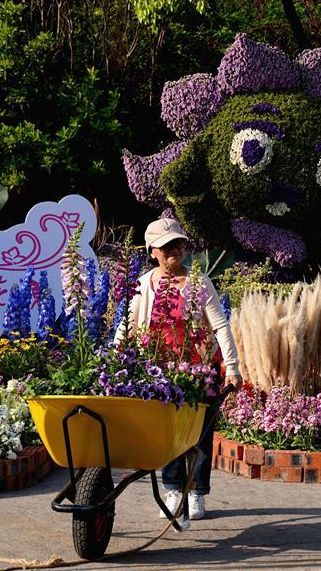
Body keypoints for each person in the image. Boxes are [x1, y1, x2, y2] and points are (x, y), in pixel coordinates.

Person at [113, 218, 242, 521]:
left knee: (199, 434)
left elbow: (220, 326)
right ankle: (173, 489)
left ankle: (196, 492)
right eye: (166, 246)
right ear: (152, 251)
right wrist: (114, 358)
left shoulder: (200, 282)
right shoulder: (144, 284)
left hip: (199, 370)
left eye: (178, 243)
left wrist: (232, 367)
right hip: (160, 371)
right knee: (168, 433)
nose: (174, 250)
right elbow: (127, 325)